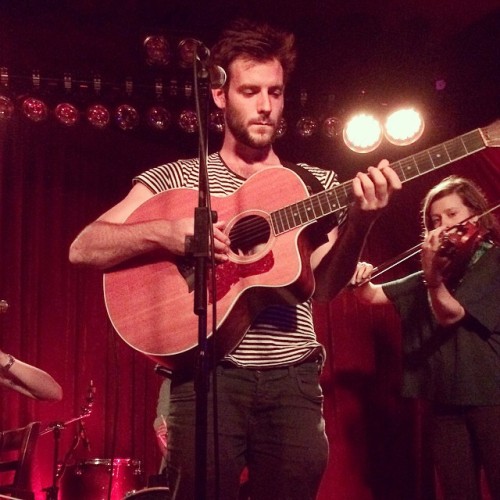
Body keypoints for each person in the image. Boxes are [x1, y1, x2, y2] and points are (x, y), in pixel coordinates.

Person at [69, 19, 401, 499]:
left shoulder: (314, 184)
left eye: (276, 92)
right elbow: (85, 247)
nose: (266, 105)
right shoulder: (176, 179)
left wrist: (362, 222)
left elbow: (324, 287)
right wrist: (171, 231)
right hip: (206, 381)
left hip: (293, 383)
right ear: (221, 95)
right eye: (250, 91)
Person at [351, 175, 500, 499]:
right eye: (434, 220)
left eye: (451, 214)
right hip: (444, 401)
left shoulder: (493, 261)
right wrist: (360, 276)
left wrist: (431, 276)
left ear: (476, 214)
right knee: (457, 492)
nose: (443, 225)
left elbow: (451, 314)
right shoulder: (437, 271)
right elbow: (371, 296)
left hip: (492, 398)